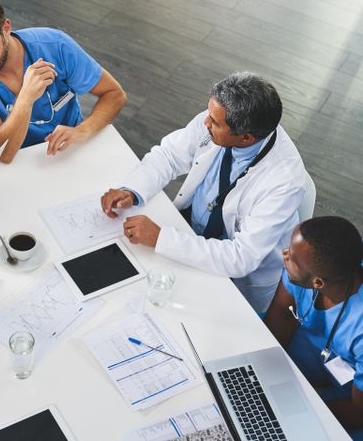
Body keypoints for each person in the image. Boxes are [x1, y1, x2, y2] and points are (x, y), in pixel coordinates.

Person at [101, 72, 305, 313]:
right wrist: (133, 190)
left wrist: (161, 238)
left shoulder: (284, 181)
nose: (205, 123)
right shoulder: (217, 117)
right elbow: (169, 155)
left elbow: (242, 258)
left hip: (232, 273)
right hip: (189, 231)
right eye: (209, 114)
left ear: (245, 137)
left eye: (215, 123)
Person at [0, 0, 126, 163]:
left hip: (63, 150)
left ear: (6, 28)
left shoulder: (55, 45)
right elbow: (4, 155)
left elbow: (114, 93)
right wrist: (26, 97)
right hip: (5, 160)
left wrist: (84, 130)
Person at [264, 216, 363, 439]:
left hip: (347, 397)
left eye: (292, 258)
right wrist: (263, 374)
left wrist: (289, 413)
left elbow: (359, 413)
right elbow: (281, 312)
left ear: (318, 283)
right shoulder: (306, 268)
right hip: (301, 355)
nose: (285, 255)